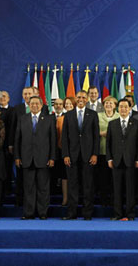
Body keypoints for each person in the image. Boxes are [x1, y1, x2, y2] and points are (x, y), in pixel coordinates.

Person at [14, 96, 56, 220]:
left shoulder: (49, 119)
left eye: (37, 104)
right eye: (32, 104)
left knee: (43, 188)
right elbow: (17, 139)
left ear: (41, 105)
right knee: (28, 188)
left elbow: (52, 140)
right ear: (29, 105)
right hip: (26, 158)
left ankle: (42, 213)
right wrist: (17, 156)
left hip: (43, 159)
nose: (34, 106)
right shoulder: (22, 119)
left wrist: (52, 157)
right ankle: (29, 213)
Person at [61, 90, 99, 220]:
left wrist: (95, 154)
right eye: (79, 97)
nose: (81, 99)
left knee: (88, 185)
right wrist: (65, 154)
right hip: (72, 156)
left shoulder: (93, 115)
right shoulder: (68, 115)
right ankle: (71, 214)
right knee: (72, 185)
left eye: (83, 97)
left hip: (88, 156)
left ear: (87, 99)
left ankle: (87, 214)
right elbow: (64, 137)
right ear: (75, 99)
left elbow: (96, 137)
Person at [106, 98, 138, 220]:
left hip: (131, 161)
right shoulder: (112, 124)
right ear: (118, 108)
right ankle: (117, 214)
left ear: (130, 108)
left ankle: (130, 214)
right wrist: (109, 158)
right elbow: (109, 143)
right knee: (117, 190)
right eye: (121, 107)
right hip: (116, 161)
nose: (123, 109)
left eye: (125, 107)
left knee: (130, 189)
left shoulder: (137, 124)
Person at [96, 96, 120, 206]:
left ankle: (114, 200)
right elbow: (93, 131)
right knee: (102, 177)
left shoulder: (119, 116)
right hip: (101, 151)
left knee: (114, 179)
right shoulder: (97, 116)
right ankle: (103, 200)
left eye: (111, 103)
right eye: (106, 103)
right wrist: (101, 134)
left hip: (116, 153)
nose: (108, 105)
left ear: (115, 105)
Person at [56, 97, 77, 206]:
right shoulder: (60, 119)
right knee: (64, 176)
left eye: (70, 104)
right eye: (66, 104)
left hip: (77, 151)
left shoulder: (78, 117)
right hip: (63, 152)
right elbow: (59, 137)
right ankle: (65, 198)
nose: (68, 106)